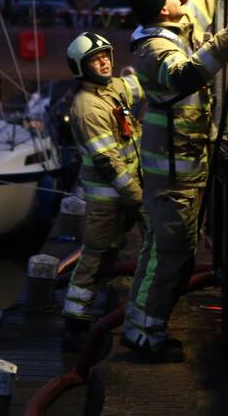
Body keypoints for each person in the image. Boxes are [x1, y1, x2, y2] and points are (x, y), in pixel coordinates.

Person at [121, 0, 228, 362]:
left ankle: (139, 327)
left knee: (161, 249)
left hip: (180, 168)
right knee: (172, 252)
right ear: (160, 11)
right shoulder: (155, 51)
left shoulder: (174, 28)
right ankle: (146, 336)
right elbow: (185, 75)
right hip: (173, 173)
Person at [61, 31, 150, 352]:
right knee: (95, 258)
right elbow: (109, 163)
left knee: (109, 254)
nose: (104, 61)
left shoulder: (111, 88)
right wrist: (140, 198)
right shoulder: (87, 108)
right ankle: (74, 326)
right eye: (95, 59)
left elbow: (139, 86)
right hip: (110, 201)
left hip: (124, 196)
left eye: (106, 55)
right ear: (80, 68)